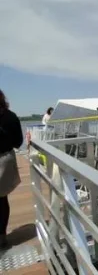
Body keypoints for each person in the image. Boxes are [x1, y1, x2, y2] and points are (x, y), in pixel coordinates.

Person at [0, 89, 23, 248]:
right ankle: (2, 235)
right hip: (5, 160)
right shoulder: (11, 116)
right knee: (2, 199)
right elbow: (18, 141)